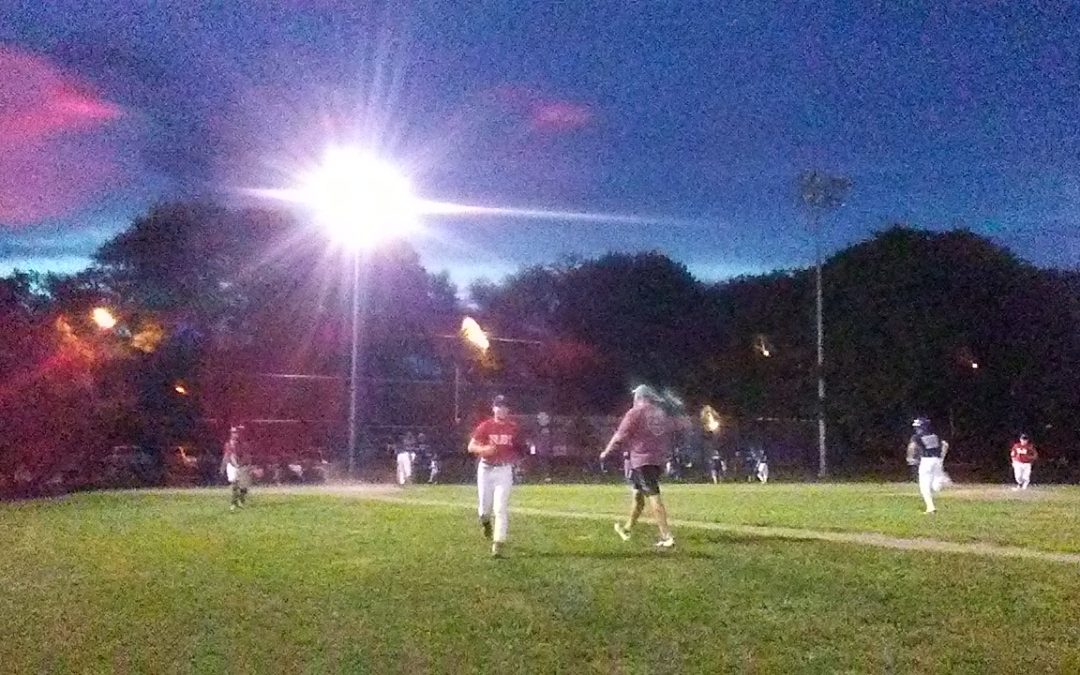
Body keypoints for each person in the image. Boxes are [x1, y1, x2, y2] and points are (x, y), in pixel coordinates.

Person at [599, 384, 677, 548]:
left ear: (639, 397)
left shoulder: (635, 412)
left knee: (653, 495)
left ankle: (666, 536)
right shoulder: (660, 413)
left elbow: (620, 435)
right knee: (638, 495)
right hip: (656, 459)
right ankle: (627, 529)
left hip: (642, 459)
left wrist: (606, 452)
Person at [468, 395, 523, 557]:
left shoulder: (513, 428)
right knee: (484, 509)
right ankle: (486, 523)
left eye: (505, 406)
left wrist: (519, 458)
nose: (502, 409)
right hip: (486, 469)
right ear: (493, 408)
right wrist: (484, 450)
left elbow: (519, 448)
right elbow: (471, 447)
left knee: (500, 508)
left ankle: (498, 544)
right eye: (499, 406)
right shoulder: (486, 426)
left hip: (504, 470)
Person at [906, 417, 950, 514]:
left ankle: (930, 508)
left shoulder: (916, 437)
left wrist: (910, 458)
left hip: (926, 460)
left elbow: (912, 447)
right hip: (937, 460)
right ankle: (943, 480)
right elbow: (945, 444)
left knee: (924, 485)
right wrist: (942, 457)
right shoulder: (935, 435)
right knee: (935, 485)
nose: (916, 429)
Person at [220, 424, 252, 512]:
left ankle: (240, 500)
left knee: (244, 488)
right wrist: (223, 467)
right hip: (232, 466)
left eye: (237, 433)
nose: (235, 434)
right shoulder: (228, 444)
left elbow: (246, 456)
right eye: (234, 433)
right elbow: (228, 456)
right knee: (234, 485)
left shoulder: (244, 444)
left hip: (241, 466)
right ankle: (233, 504)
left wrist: (248, 465)